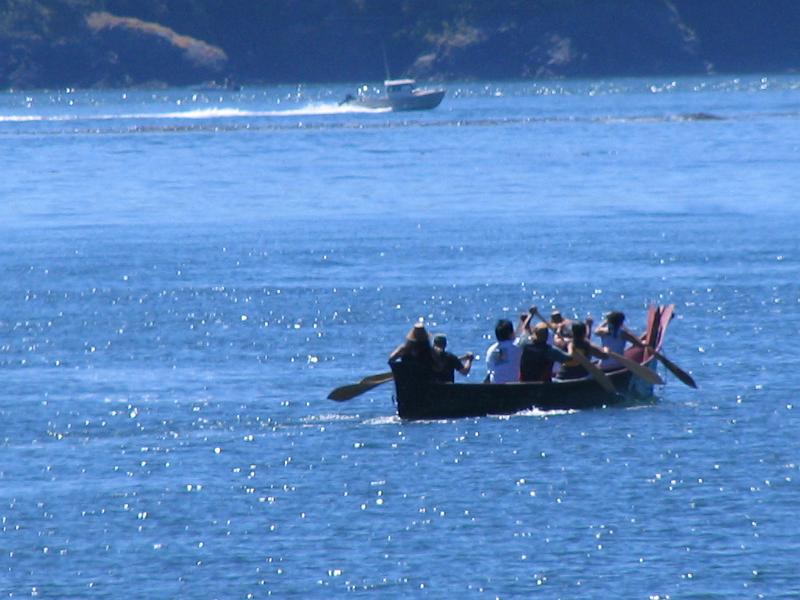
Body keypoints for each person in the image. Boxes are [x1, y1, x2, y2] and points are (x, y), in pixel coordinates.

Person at [485, 319, 523, 383]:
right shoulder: (518, 347)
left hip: (496, 387)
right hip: (515, 387)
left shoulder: (490, 350)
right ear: (511, 333)